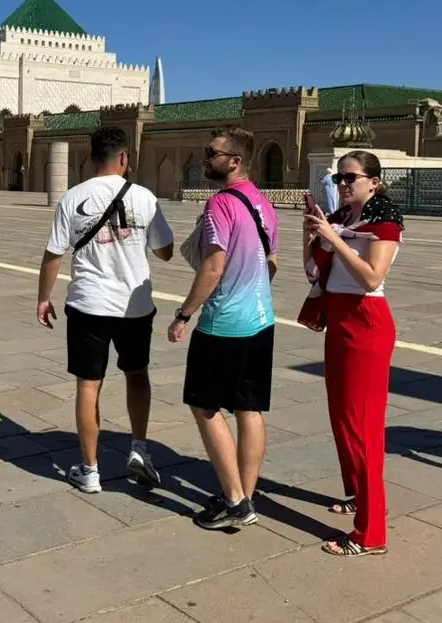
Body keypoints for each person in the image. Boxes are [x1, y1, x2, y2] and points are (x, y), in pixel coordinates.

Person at [37, 126, 174, 494]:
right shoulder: (144, 197)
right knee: (137, 374)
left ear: (92, 157)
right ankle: (140, 448)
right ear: (124, 158)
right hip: (135, 305)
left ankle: (90, 469)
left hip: (88, 304)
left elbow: (54, 254)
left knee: (88, 384)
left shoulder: (72, 197)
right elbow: (166, 251)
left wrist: (43, 297)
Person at [167, 125, 278, 530]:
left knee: (204, 405)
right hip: (261, 320)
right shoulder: (263, 204)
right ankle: (244, 496)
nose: (204, 158)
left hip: (224, 325)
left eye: (212, 153)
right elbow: (272, 264)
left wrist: (183, 315)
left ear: (234, 161)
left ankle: (234, 500)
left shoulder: (221, 205)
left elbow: (212, 267)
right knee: (249, 407)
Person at [304, 151, 403, 557]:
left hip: (367, 323)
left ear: (373, 182)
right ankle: (359, 496)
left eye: (351, 178)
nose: (343, 184)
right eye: (338, 178)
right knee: (342, 418)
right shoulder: (344, 220)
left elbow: (371, 276)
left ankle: (370, 534)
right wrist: (313, 231)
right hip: (340, 320)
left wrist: (333, 239)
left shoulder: (385, 222)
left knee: (363, 425)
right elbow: (313, 271)